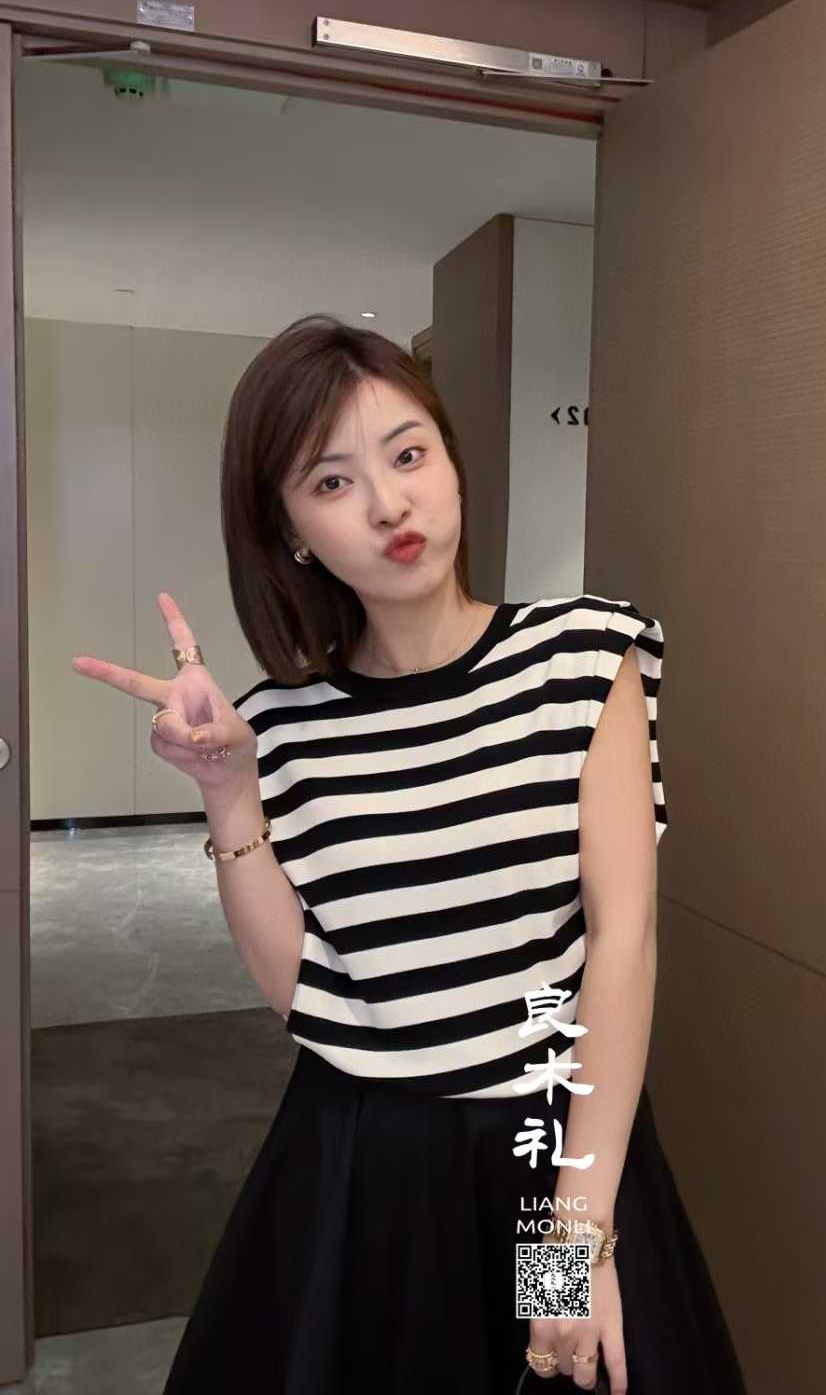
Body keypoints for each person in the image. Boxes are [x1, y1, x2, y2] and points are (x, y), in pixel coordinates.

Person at [72, 314, 748, 1394]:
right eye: (332, 482)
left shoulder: (583, 658)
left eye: (408, 454)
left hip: (547, 1150)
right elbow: (305, 993)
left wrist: (573, 1246)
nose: (389, 504)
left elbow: (623, 946)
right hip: (358, 1160)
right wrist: (229, 787)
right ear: (291, 530)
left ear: (451, 463)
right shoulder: (278, 727)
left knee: (564, 1367)